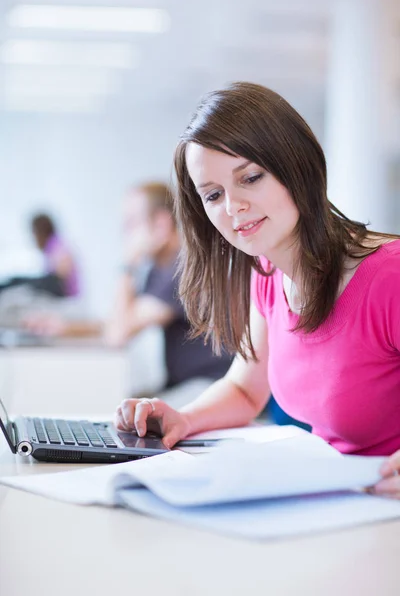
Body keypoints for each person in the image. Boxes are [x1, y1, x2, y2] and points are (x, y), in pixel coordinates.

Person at [115, 82, 400, 499]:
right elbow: (246, 388)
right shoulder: (267, 272)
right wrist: (183, 419)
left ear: (296, 164)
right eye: (213, 195)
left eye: (250, 177)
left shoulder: (389, 278)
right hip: (341, 499)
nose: (232, 207)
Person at [25, 182, 233, 406]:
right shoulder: (160, 267)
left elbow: (118, 334)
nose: (126, 235)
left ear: (161, 224)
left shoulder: (181, 268)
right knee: (127, 409)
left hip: (212, 386)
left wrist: (127, 264)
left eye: (131, 224)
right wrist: (66, 327)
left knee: (129, 416)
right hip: (190, 384)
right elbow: (123, 319)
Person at [0, 213, 80, 298]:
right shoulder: (54, 245)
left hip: (63, 290)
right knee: (19, 281)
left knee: (23, 282)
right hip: (60, 287)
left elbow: (63, 272)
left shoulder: (56, 244)